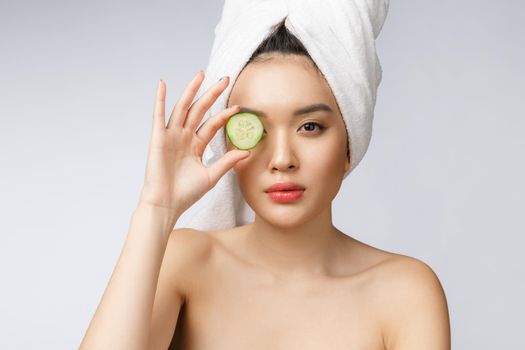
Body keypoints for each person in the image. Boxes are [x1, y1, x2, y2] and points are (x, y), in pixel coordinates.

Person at [80, 20, 451, 350]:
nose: (282, 158)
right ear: (227, 141)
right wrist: (155, 210)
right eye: (254, 130)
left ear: (350, 142)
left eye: (310, 127)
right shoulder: (186, 262)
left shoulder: (405, 292)